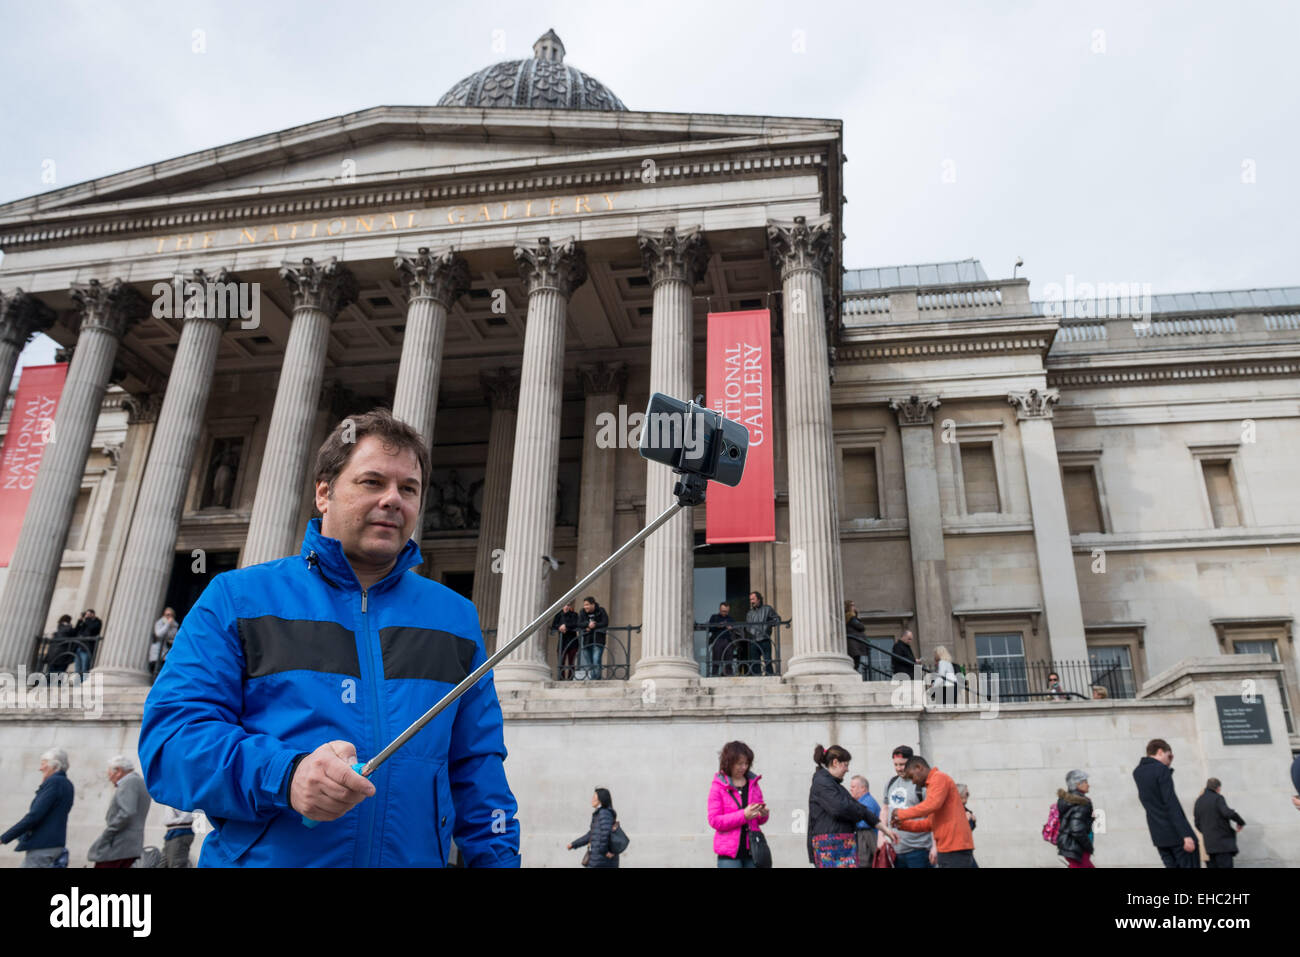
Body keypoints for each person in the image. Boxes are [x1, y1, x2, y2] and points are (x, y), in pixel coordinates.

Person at [139, 409, 520, 867]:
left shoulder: (456, 617)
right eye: (372, 482)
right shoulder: (236, 598)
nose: (393, 500)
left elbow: (480, 771)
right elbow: (171, 744)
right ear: (324, 492)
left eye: (409, 488)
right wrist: (286, 774)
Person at [807, 744, 895, 867]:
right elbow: (839, 808)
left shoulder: (836, 787)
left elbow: (861, 811)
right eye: (846, 765)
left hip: (839, 845)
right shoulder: (822, 783)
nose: (847, 769)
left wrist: (885, 830)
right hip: (832, 847)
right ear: (835, 762)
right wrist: (857, 810)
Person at [891, 755, 976, 868]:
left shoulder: (939, 778)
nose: (913, 782)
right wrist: (903, 825)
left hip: (955, 847)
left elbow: (932, 805)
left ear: (918, 767)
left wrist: (901, 813)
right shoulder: (932, 785)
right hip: (947, 848)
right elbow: (929, 823)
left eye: (912, 777)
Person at [1, 748, 75, 867]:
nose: (40, 768)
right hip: (54, 845)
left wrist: (4, 838)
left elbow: (35, 815)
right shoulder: (67, 784)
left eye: (43, 764)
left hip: (43, 847)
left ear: (54, 766)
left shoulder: (54, 782)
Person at [1133, 738, 1199, 868]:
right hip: (1176, 834)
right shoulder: (1161, 769)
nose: (1170, 760)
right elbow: (1171, 803)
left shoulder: (1137, 772)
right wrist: (1185, 834)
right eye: (1170, 755)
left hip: (1158, 836)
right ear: (1160, 752)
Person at [707, 740, 769, 867]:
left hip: (753, 852)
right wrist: (744, 815)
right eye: (740, 764)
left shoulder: (753, 784)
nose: (744, 767)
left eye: (746, 763)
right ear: (729, 762)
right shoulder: (718, 786)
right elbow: (714, 820)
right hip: (729, 856)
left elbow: (759, 820)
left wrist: (763, 814)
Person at [87, 754, 151, 868]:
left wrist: (109, 831)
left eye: (110, 773)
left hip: (119, 844)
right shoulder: (139, 782)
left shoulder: (128, 782)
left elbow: (127, 812)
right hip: (129, 844)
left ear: (119, 771)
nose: (109, 777)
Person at [883, 744, 935, 868]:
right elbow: (885, 809)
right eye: (895, 764)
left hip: (919, 850)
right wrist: (882, 835)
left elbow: (934, 816)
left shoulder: (921, 784)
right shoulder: (891, 783)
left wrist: (935, 846)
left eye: (902, 764)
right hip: (896, 850)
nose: (898, 768)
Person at [1193, 778, 1246, 869]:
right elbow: (1227, 812)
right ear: (1218, 788)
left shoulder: (1199, 801)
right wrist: (1240, 822)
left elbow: (1197, 823)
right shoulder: (1218, 798)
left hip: (1209, 845)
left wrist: (1208, 832)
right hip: (1222, 844)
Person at [568, 788, 619, 868]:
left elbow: (606, 833)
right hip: (598, 859)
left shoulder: (604, 813)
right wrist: (574, 844)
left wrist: (604, 851)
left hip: (602, 860)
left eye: (594, 797)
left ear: (600, 800)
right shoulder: (600, 814)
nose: (592, 800)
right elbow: (591, 834)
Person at [1056, 769, 1096, 868]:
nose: (1088, 785)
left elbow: (1074, 822)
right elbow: (1076, 829)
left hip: (1069, 846)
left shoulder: (1067, 801)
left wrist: (1090, 819)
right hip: (1077, 848)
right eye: (1085, 782)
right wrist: (1088, 846)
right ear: (1078, 784)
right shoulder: (1082, 803)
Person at [745, 591, 780, 676]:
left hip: (765, 639)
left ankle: (769, 676)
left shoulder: (767, 609)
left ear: (759, 599)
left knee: (767, 660)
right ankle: (757, 678)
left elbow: (777, 619)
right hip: (753, 640)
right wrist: (751, 633)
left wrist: (768, 626)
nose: (751, 601)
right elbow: (747, 627)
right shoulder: (749, 613)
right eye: (750, 599)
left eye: (753, 599)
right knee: (755, 662)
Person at [848, 774, 881, 862]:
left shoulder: (867, 803)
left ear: (863, 788)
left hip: (868, 849)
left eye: (853, 787)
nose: (850, 789)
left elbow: (863, 824)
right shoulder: (862, 802)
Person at [577, 595, 609, 680]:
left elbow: (605, 622)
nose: (585, 607)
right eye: (584, 605)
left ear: (593, 604)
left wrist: (594, 625)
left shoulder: (601, 610)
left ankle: (595, 679)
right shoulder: (582, 612)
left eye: (587, 605)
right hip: (587, 640)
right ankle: (595, 677)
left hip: (598, 639)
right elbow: (579, 623)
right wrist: (587, 624)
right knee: (590, 662)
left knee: (596, 660)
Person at [707, 602, 739, 676]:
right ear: (720, 609)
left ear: (728, 610)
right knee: (716, 660)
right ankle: (714, 675)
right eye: (723, 611)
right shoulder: (714, 617)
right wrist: (718, 626)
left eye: (726, 611)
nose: (724, 613)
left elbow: (737, 630)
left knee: (728, 661)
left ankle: (728, 676)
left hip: (729, 642)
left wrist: (731, 628)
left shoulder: (731, 619)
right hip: (717, 641)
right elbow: (709, 628)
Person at [551, 601, 581, 680]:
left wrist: (566, 626)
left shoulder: (574, 615)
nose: (566, 607)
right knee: (561, 661)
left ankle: (570, 678)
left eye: (568, 605)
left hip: (572, 642)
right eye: (564, 605)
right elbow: (553, 626)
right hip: (562, 642)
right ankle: (561, 679)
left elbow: (576, 624)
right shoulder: (558, 615)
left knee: (571, 662)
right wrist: (560, 627)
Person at [149, 607, 179, 679]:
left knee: (164, 671)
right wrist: (168, 624)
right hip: (157, 652)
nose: (168, 617)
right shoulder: (159, 623)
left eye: (170, 615)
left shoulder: (175, 625)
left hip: (166, 651)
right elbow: (159, 634)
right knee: (154, 668)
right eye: (167, 615)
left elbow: (173, 636)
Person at [845, 600, 870, 677]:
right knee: (855, 662)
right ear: (848, 607)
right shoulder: (851, 617)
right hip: (854, 643)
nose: (854, 607)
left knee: (856, 661)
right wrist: (857, 617)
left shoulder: (851, 617)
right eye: (852, 605)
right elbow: (861, 627)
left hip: (855, 642)